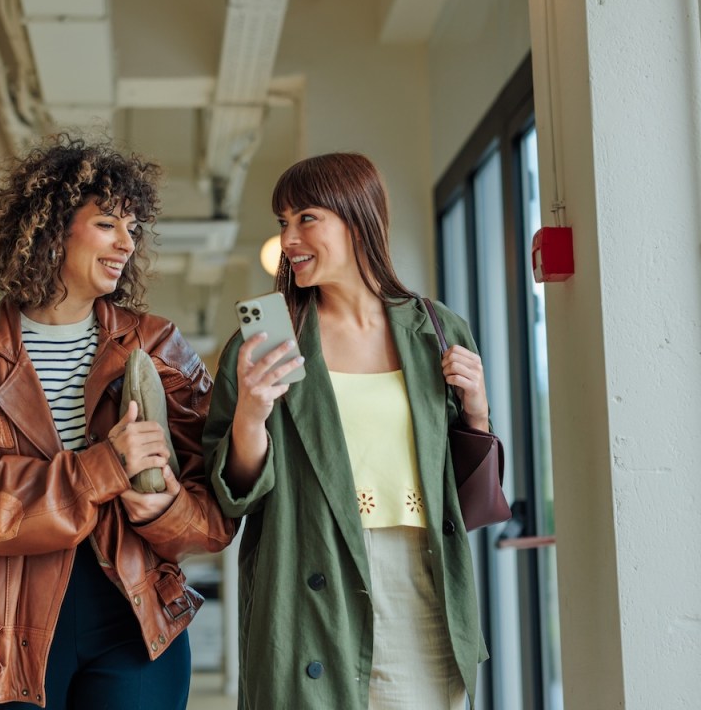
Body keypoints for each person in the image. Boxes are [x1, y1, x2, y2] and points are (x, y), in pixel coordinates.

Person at [0, 135, 236, 710]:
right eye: (107, 224)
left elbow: (215, 505)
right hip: (3, 630)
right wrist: (103, 467)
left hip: (136, 624)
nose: (126, 243)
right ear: (52, 229)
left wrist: (166, 508)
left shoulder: (156, 345)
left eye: (132, 228)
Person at [203, 152, 491, 710]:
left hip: (421, 583)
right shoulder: (266, 343)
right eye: (283, 221)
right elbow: (232, 496)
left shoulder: (436, 329)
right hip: (306, 577)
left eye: (306, 218)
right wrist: (250, 416)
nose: (289, 238)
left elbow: (464, 491)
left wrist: (476, 411)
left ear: (358, 219)